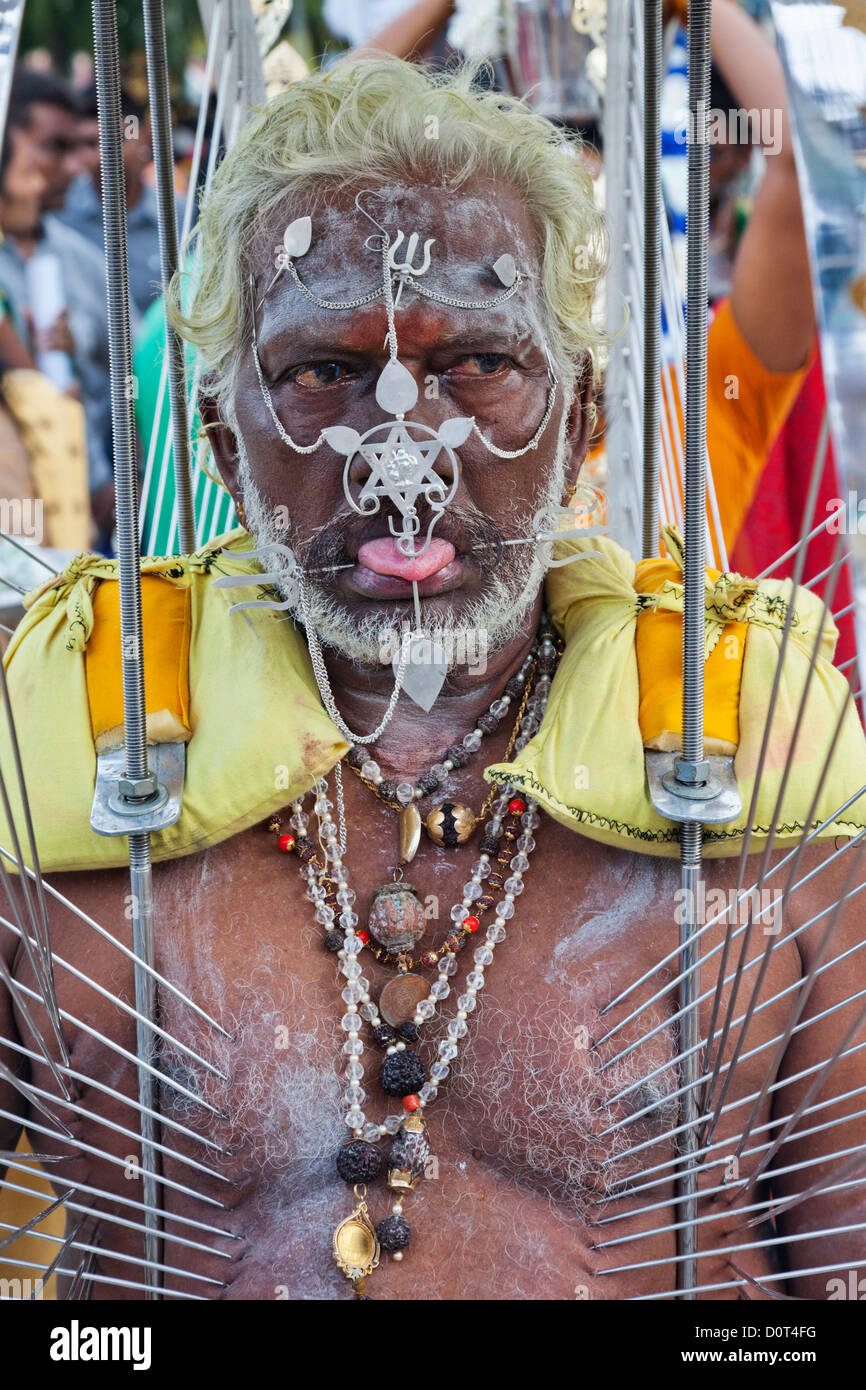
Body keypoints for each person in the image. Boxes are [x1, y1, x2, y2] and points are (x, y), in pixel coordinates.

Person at [2, 59, 865, 1302]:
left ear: (579, 423)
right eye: (321, 374)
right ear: (222, 447)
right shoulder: (54, 754)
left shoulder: (758, 751)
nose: (399, 465)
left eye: (473, 364)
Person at [0, 69, 118, 543]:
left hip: (84, 520)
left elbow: (129, 383)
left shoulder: (89, 263)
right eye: (52, 148)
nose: (73, 168)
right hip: (18, 511)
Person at [60, 86, 186, 321]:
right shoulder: (61, 217)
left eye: (116, 139)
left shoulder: (181, 218)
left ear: (144, 137)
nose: (105, 155)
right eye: (90, 143)